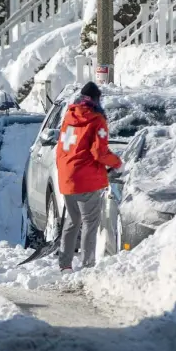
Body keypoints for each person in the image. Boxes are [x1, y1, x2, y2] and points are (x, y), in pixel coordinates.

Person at [55, 82, 122, 273]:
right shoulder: (97, 120)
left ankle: (65, 263)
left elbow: (61, 148)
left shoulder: (68, 116)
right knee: (90, 223)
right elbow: (99, 152)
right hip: (87, 179)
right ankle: (87, 264)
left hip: (67, 177)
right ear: (96, 99)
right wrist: (117, 163)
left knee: (72, 220)